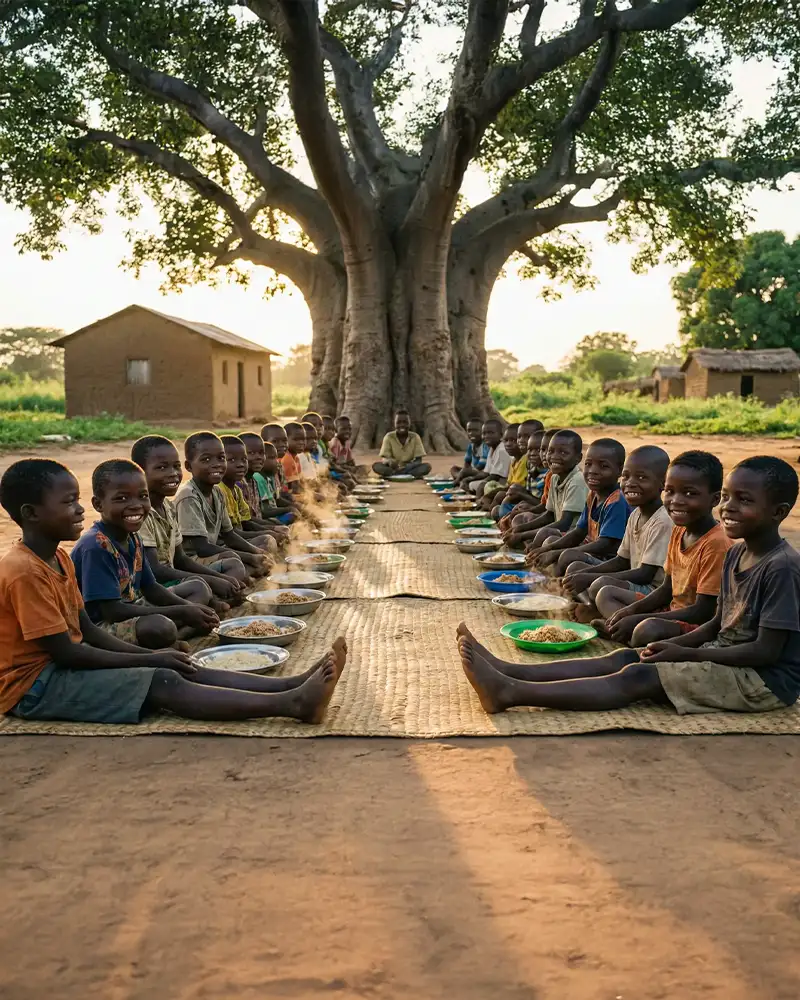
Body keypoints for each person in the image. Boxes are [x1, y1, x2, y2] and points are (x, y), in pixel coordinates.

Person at [0, 458, 347, 726]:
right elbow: (68, 653)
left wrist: (156, 655)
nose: (79, 510)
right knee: (162, 680)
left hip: (61, 667)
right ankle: (292, 704)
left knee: (180, 664)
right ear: (31, 513)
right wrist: (149, 658)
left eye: (77, 501)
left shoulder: (58, 557)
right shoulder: (23, 572)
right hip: (33, 687)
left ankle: (290, 685)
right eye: (68, 502)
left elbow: (86, 631)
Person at [456, 456, 800, 717]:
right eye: (727, 496)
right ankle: (510, 670)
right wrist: (673, 645)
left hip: (763, 681)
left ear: (778, 511)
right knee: (627, 656)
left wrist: (688, 653)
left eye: (744, 500)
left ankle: (510, 693)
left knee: (638, 677)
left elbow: (765, 653)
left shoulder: (781, 568)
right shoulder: (738, 552)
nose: (729, 507)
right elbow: (716, 623)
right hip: (727, 653)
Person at [70, 460, 219, 647]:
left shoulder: (133, 537)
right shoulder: (96, 546)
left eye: (142, 496)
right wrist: (180, 612)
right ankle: (173, 637)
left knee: (198, 587)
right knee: (160, 627)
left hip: (133, 607)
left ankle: (176, 637)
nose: (136, 505)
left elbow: (151, 588)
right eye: (122, 498)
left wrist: (188, 608)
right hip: (101, 626)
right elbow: (112, 612)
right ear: (98, 504)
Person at [600, 451, 732, 646]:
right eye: (670, 491)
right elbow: (667, 589)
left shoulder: (716, 543)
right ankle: (623, 631)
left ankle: (628, 637)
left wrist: (638, 618)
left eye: (689, 493)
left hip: (697, 625)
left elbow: (703, 612)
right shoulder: (679, 529)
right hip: (671, 611)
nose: (676, 500)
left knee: (648, 629)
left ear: (714, 500)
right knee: (606, 594)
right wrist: (632, 611)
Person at [132, 435, 246, 613]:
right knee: (199, 587)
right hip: (154, 587)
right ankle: (197, 614)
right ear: (140, 473)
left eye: (176, 467)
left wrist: (218, 578)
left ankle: (207, 604)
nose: (172, 473)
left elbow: (180, 559)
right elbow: (156, 570)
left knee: (227, 573)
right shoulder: (141, 515)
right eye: (162, 467)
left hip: (174, 581)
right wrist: (211, 580)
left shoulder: (168, 508)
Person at [560, 446, 672, 617]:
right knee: (576, 568)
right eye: (626, 476)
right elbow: (621, 561)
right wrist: (584, 574)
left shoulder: (663, 521)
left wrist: (590, 578)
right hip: (634, 582)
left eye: (641, 477)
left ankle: (611, 620)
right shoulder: (636, 514)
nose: (630, 483)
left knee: (602, 587)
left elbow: (645, 575)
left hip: (652, 592)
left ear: (663, 483)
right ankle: (594, 607)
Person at [174, 432, 271, 581]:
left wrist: (256, 552)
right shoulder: (189, 496)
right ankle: (229, 585)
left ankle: (239, 579)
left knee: (264, 546)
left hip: (214, 555)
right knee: (235, 562)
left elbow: (229, 535)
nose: (217, 464)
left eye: (221, 458)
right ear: (188, 466)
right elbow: (202, 548)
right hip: (194, 561)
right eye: (206, 459)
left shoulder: (217, 492)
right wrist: (249, 557)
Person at [530, 438, 630, 575]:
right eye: (588, 464)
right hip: (593, 552)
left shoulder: (617, 501)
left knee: (568, 557)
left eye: (603, 466)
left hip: (608, 560)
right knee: (551, 540)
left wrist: (557, 552)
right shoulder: (593, 495)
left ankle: (557, 585)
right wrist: (551, 549)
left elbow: (604, 544)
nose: (593, 471)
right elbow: (579, 532)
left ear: (619, 471)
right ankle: (552, 579)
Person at [510, 430, 587, 551]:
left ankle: (533, 548)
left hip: (571, 536)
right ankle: (530, 546)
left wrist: (523, 535)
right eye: (550, 451)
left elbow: (564, 524)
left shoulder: (577, 480)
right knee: (519, 520)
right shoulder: (555, 477)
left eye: (563, 452)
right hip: (555, 530)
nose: (554, 456)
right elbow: (549, 515)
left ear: (578, 458)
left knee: (545, 535)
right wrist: (520, 529)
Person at [219, 436, 284, 551]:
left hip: (240, 536)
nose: (240, 464)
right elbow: (231, 533)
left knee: (273, 535)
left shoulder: (240, 487)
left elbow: (246, 521)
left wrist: (271, 529)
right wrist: (269, 531)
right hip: (227, 543)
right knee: (268, 541)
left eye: (244, 459)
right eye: (232, 460)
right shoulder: (223, 490)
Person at [238, 432, 294, 524]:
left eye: (261, 453)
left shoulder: (253, 480)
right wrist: (272, 527)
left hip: (258, 525)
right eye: (251, 453)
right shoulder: (243, 483)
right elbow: (246, 521)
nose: (258, 457)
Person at [373, 410, 432, 479]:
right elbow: (384, 458)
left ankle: (394, 475)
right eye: (399, 422)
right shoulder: (389, 437)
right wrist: (390, 462)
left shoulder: (415, 437)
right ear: (394, 423)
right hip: (393, 468)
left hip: (409, 468)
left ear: (409, 423)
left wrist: (408, 467)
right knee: (376, 466)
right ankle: (406, 475)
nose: (402, 425)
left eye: (405, 422)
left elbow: (418, 460)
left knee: (427, 467)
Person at [477, 423, 521, 508]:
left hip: (514, 494)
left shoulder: (502, 451)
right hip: (508, 489)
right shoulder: (514, 460)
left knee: (491, 490)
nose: (508, 444)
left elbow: (495, 476)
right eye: (506, 440)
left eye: (513, 440)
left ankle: (485, 507)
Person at [451, 418, 487, 483]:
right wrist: (465, 470)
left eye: (475, 430)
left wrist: (466, 471)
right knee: (454, 469)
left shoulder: (485, 445)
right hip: (473, 471)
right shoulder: (471, 445)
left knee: (464, 472)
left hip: (483, 472)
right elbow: (467, 462)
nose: (471, 433)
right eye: (469, 430)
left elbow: (482, 465)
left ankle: (458, 480)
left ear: (483, 432)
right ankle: (461, 478)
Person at [280, 422, 308, 496]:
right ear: (285, 441)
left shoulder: (296, 458)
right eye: (296, 439)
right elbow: (295, 489)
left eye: (303, 439)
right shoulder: (287, 459)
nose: (301, 442)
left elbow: (299, 482)